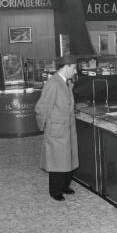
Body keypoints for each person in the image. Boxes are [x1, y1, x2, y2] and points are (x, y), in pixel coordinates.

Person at [34, 55, 79, 201]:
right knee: (57, 160)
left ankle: (65, 186)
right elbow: (42, 107)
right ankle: (55, 191)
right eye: (74, 67)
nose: (75, 70)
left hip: (67, 127)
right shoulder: (53, 84)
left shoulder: (66, 82)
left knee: (67, 158)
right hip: (57, 129)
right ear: (66, 67)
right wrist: (44, 125)